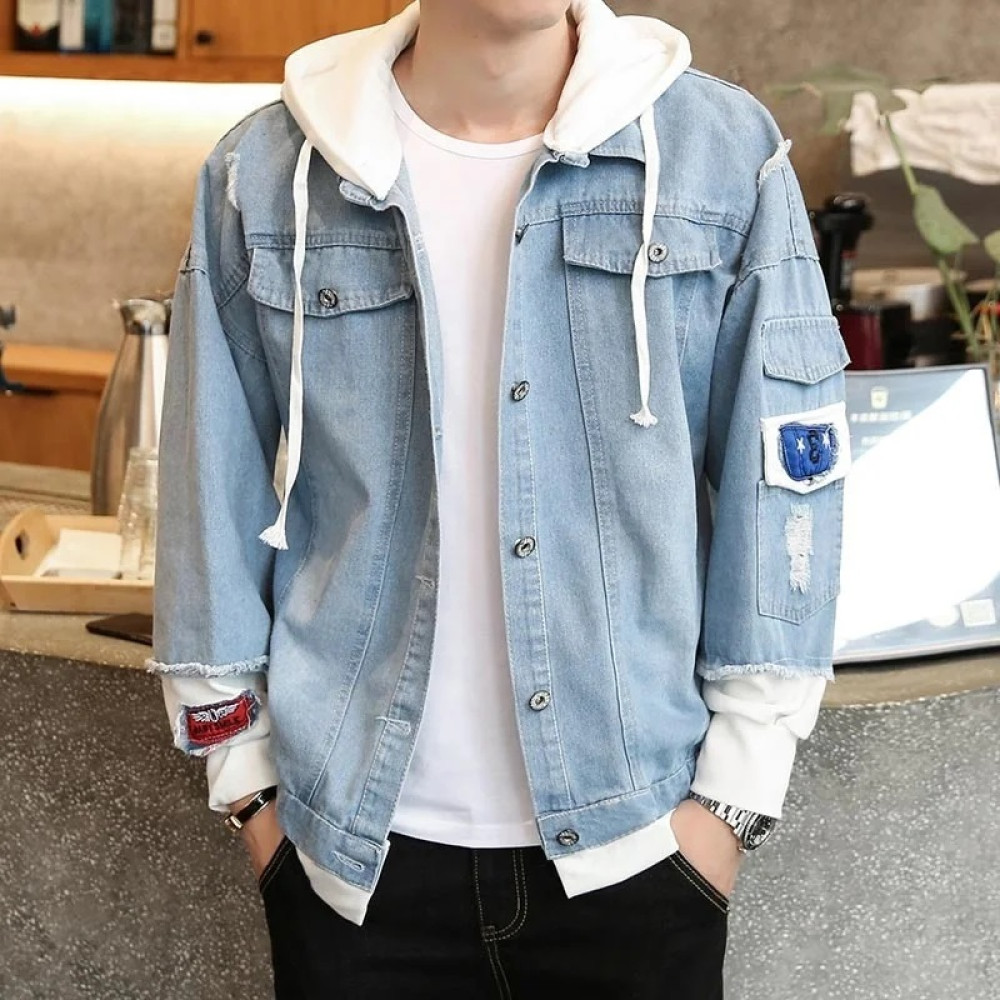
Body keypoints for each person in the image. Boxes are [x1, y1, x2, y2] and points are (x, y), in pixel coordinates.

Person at [148, 0, 850, 996]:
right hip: (347, 866)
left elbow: (787, 482)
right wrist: (248, 792)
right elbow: (203, 493)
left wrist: (731, 805)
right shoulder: (263, 172)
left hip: (639, 851)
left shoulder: (721, 155)